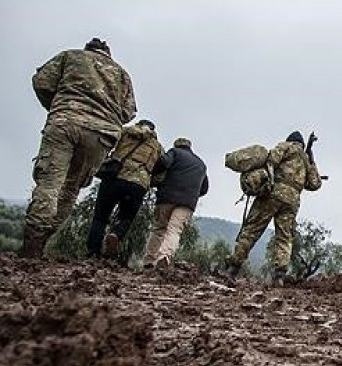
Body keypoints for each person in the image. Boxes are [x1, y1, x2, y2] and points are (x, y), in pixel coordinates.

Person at [21, 38, 137, 258]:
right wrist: (106, 119)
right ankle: (43, 240)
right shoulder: (122, 74)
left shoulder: (71, 56)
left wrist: (57, 105)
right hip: (100, 135)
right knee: (70, 189)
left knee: (50, 182)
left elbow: (42, 82)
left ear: (88, 49)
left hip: (65, 122)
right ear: (108, 54)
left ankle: (32, 245)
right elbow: (128, 112)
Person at [222, 132, 322, 285]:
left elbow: (272, 159)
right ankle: (279, 276)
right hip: (292, 202)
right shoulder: (306, 161)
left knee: (252, 230)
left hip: (273, 194)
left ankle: (232, 269)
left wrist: (266, 179)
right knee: (284, 237)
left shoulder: (286, 146)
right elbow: (315, 184)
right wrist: (311, 159)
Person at [85, 119, 164, 260]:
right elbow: (162, 169)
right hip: (138, 185)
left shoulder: (125, 132)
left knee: (100, 217)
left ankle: (93, 251)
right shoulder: (157, 147)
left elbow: (106, 143)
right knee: (126, 216)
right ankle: (116, 234)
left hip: (114, 177)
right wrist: (150, 180)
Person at [143, 137, 209, 268]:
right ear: (190, 147)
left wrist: (153, 175)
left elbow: (163, 163)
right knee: (174, 230)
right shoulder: (201, 164)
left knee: (159, 229)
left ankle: (149, 261)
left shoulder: (174, 152)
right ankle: (164, 256)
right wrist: (191, 194)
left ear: (177, 145)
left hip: (166, 198)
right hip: (187, 203)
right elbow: (204, 188)